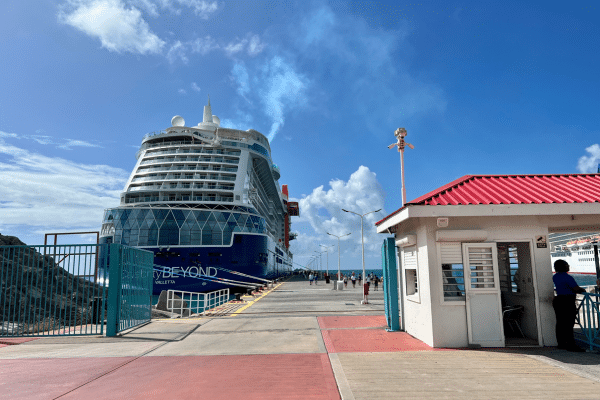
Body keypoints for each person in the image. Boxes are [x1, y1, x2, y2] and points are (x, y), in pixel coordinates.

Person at [552, 259, 586, 352]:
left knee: (560, 323)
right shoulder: (568, 277)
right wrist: (583, 290)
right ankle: (571, 345)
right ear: (563, 267)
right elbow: (576, 288)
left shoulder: (555, 276)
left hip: (558, 300)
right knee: (569, 323)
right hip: (567, 301)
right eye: (567, 264)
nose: (568, 266)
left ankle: (561, 343)